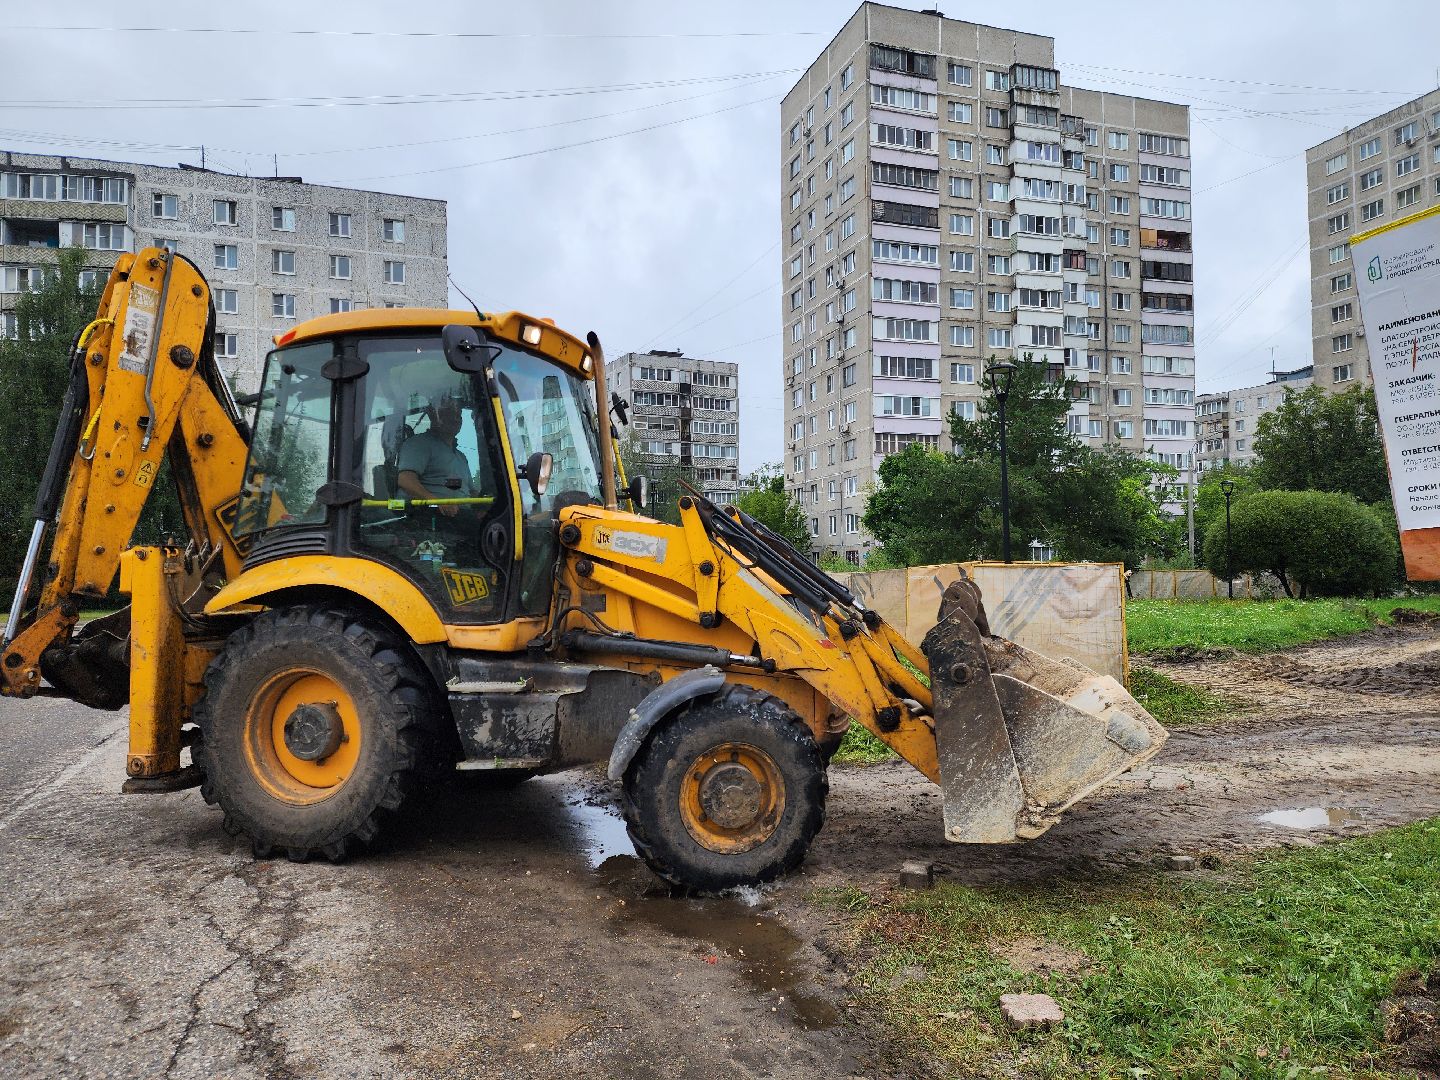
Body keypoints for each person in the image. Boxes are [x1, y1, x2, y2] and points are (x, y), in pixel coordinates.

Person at [395, 399, 476, 516]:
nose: (456, 419)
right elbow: (405, 479)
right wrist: (437, 502)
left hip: (462, 515)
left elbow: (471, 491)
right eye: (450, 413)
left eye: (458, 415)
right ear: (433, 416)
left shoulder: (461, 457)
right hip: (428, 516)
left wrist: (482, 509)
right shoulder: (419, 444)